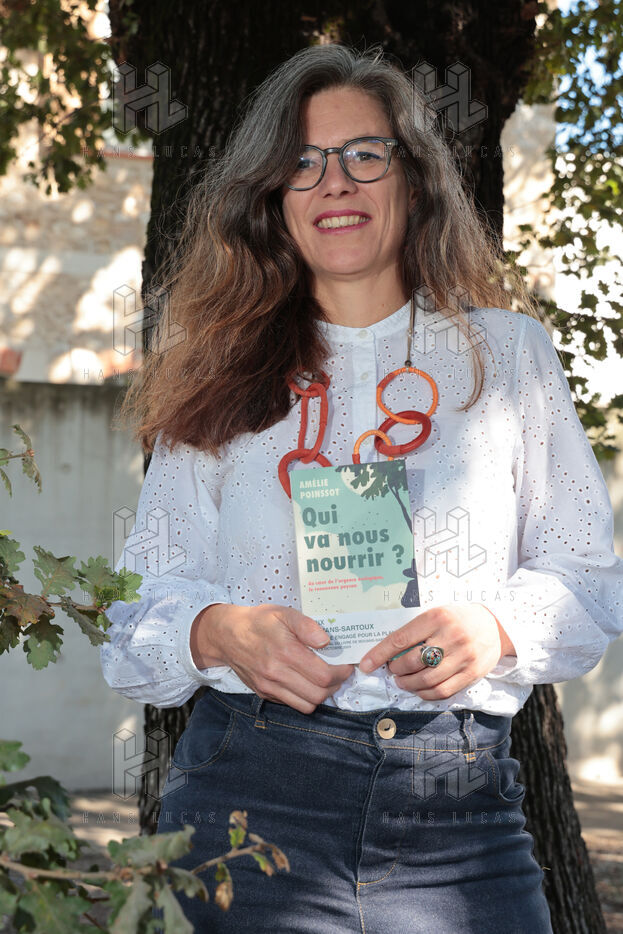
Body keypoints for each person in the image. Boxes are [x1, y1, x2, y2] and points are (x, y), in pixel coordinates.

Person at [101, 42, 623, 934]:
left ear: (412, 180)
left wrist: (494, 628)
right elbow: (133, 616)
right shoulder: (215, 376)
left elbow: (589, 583)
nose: (333, 181)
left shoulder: (506, 358)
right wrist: (216, 630)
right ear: (273, 200)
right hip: (249, 803)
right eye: (302, 162)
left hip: (461, 817)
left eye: (362, 154)